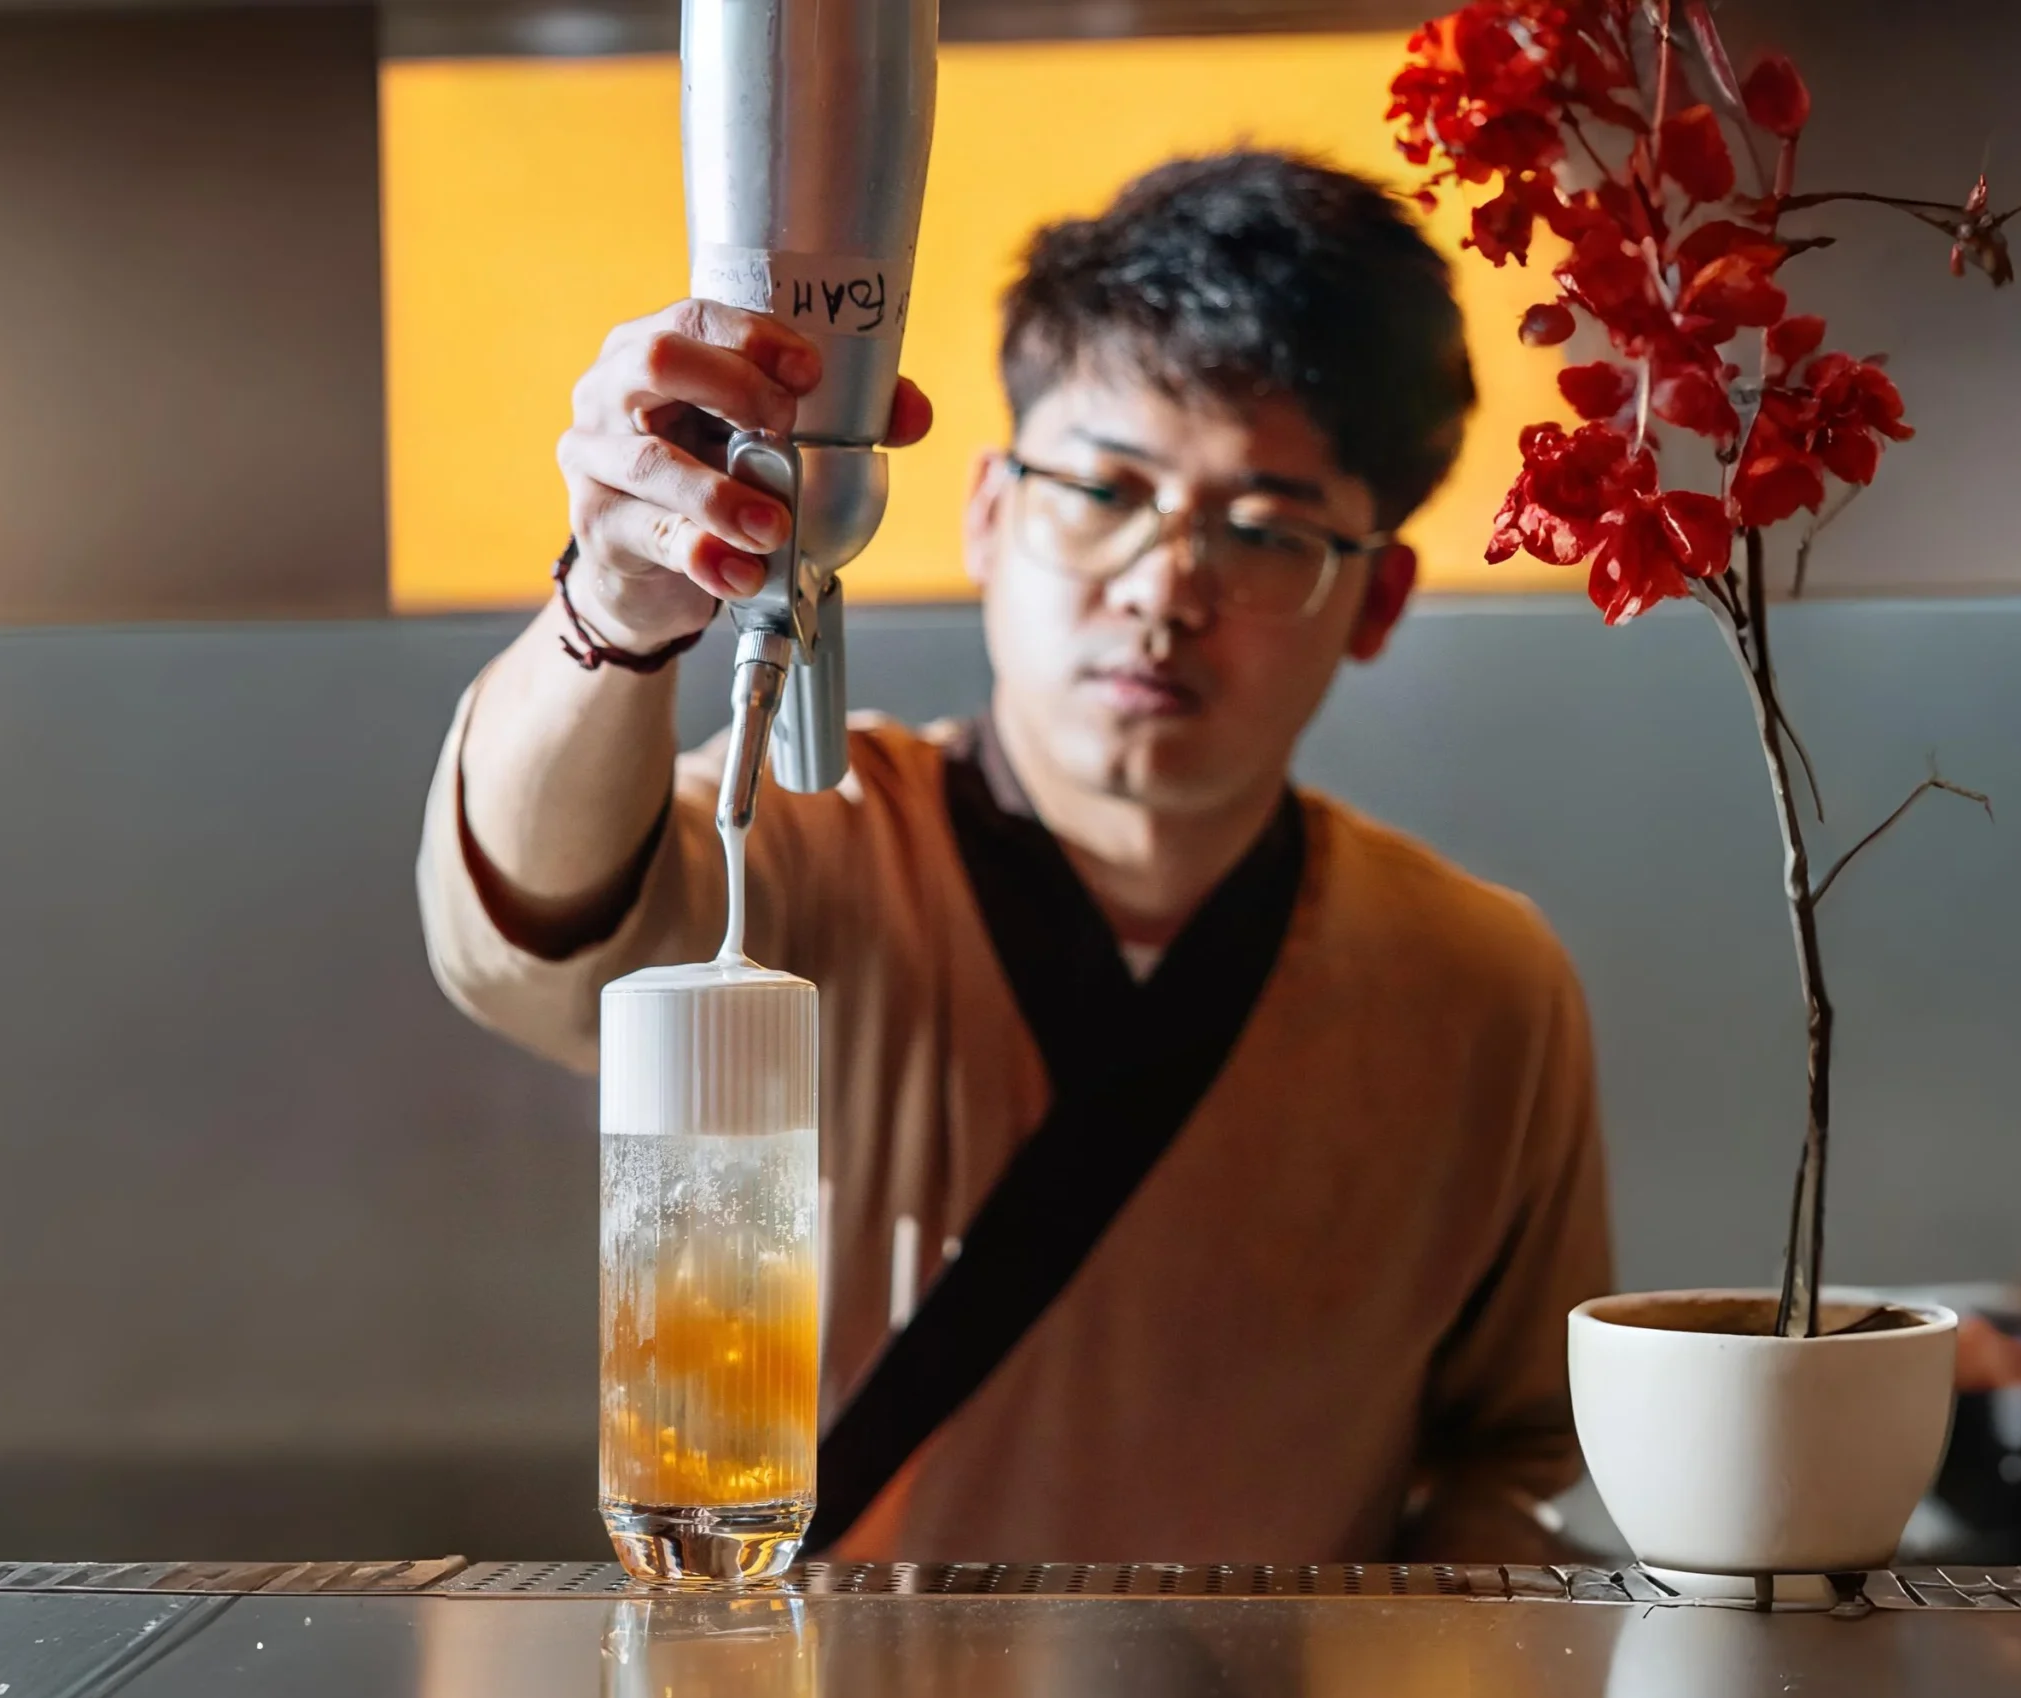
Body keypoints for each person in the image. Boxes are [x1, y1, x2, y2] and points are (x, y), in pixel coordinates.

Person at [419, 150, 1612, 1564]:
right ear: (989, 509)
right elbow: (529, 930)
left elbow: (1513, 1459)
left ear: (1376, 595)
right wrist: (611, 606)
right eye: (1104, 493)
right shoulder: (805, 850)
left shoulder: (1480, 984)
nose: (1168, 587)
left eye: (1265, 529)